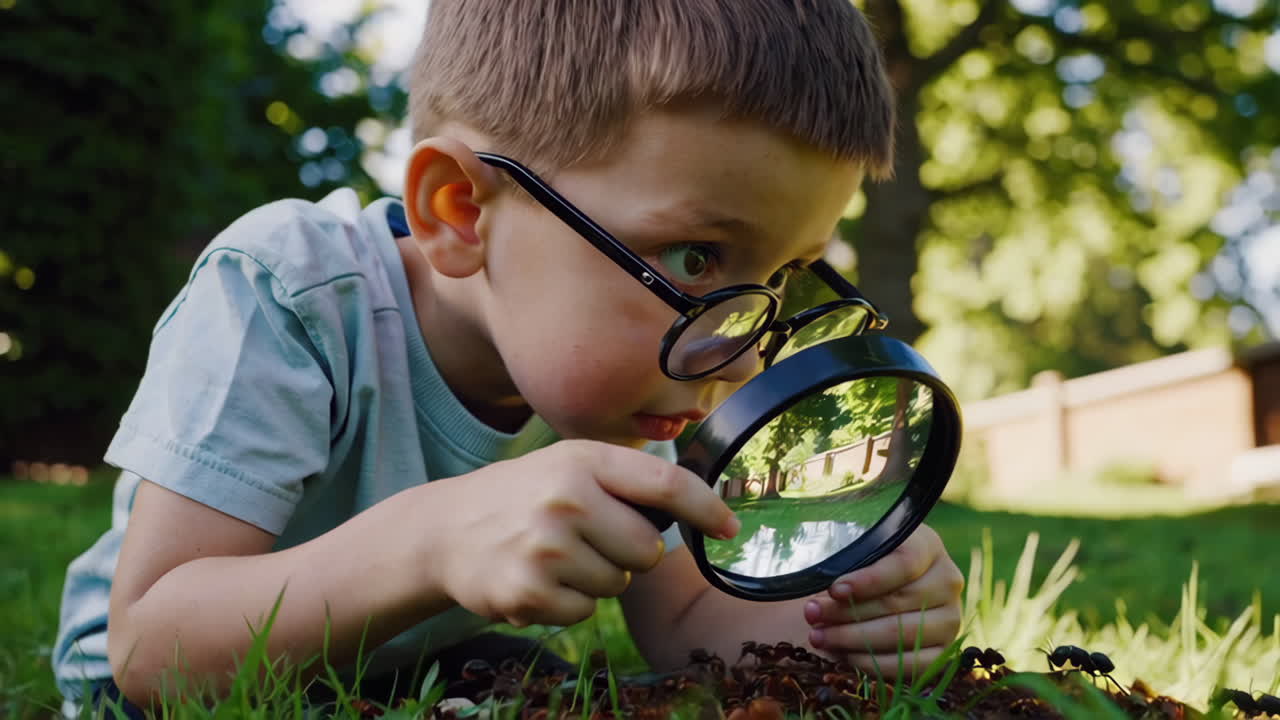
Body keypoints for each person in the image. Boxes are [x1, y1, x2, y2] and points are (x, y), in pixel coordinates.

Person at [53, 1, 965, 715]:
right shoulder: (291, 290)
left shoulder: (631, 389)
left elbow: (687, 620)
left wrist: (848, 621)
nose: (739, 346)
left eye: (792, 276)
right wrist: (434, 539)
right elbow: (151, 651)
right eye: (696, 259)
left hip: (424, 667)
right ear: (461, 208)